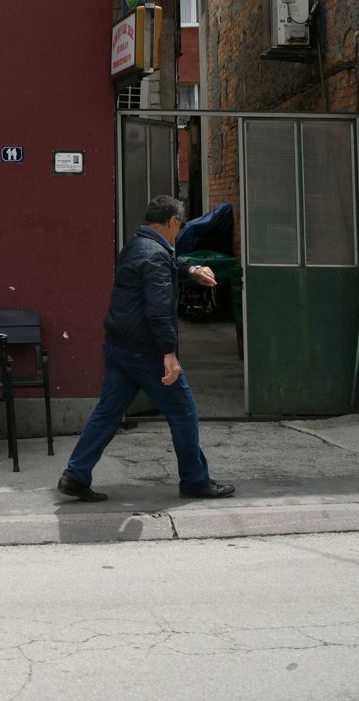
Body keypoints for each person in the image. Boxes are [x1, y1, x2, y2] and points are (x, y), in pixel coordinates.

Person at [55, 195, 235, 502]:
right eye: (179, 226)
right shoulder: (155, 254)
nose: (178, 232)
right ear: (173, 222)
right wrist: (169, 354)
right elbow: (159, 310)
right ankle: (194, 480)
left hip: (118, 346)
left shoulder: (138, 245)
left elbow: (166, 267)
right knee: (183, 411)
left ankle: (75, 474)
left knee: (108, 413)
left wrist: (191, 270)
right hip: (144, 351)